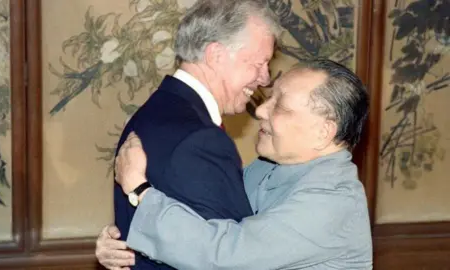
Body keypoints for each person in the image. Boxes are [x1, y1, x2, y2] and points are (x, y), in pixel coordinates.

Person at [102, 59, 373, 269]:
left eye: (280, 106)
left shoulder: (333, 202)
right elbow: (202, 223)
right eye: (270, 98)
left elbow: (223, 256)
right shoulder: (266, 169)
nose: (261, 110)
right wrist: (128, 248)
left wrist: (140, 191)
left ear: (323, 132)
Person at [109, 0, 280, 269]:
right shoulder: (200, 139)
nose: (265, 78)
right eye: (260, 63)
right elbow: (230, 258)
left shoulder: (151, 113)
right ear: (216, 55)